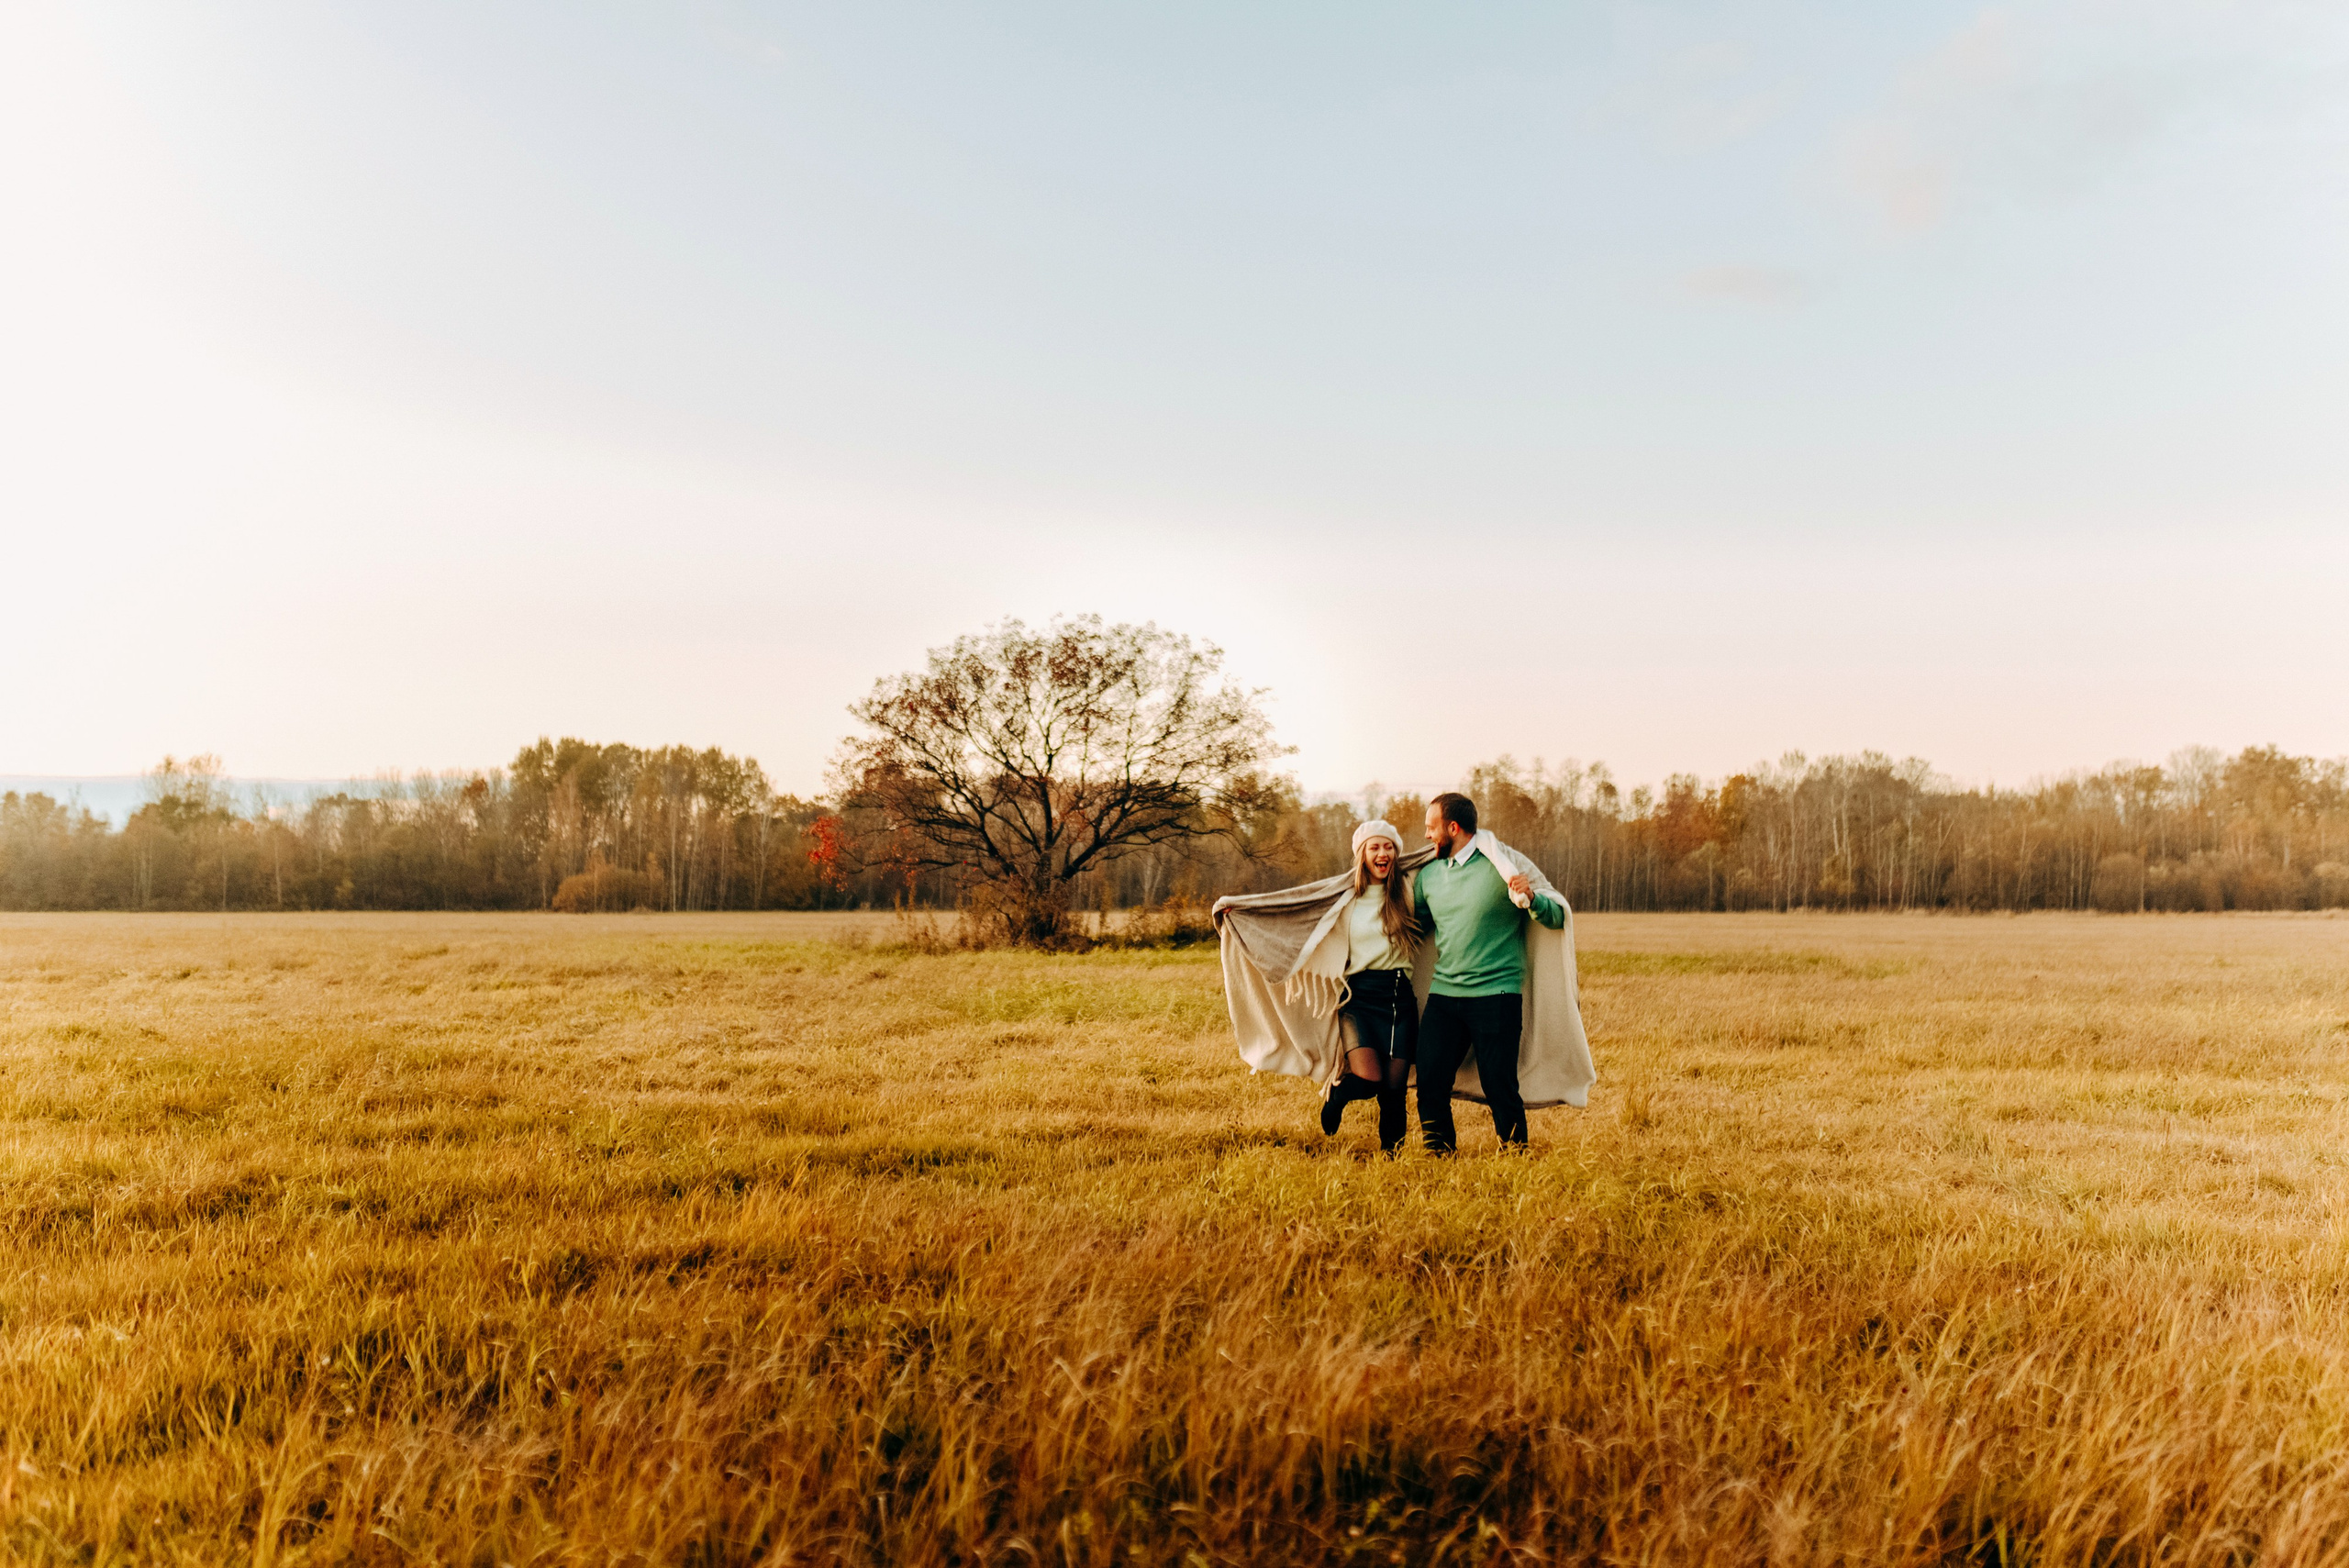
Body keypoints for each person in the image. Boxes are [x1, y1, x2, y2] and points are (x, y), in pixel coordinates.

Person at [1413, 792, 1565, 1153]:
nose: (1426, 835)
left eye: (1431, 827)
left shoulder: (1505, 865)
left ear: (1453, 827)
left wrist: (1533, 898)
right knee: (1430, 1079)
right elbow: (1414, 927)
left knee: (1499, 1084)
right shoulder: (1429, 876)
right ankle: (1438, 1152)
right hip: (1445, 995)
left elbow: (1556, 915)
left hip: (1496, 996)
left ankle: (1514, 1153)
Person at [1319, 820, 1420, 1151]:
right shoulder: (1345, 896)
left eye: (1388, 847)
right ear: (1362, 855)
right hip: (1359, 999)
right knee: (1368, 1079)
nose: (1382, 853)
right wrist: (1242, 912)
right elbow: (1297, 910)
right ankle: (1338, 1095)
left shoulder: (1407, 890)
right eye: (1374, 847)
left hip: (1399, 998)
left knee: (1394, 1091)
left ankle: (1393, 1158)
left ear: (1396, 853)